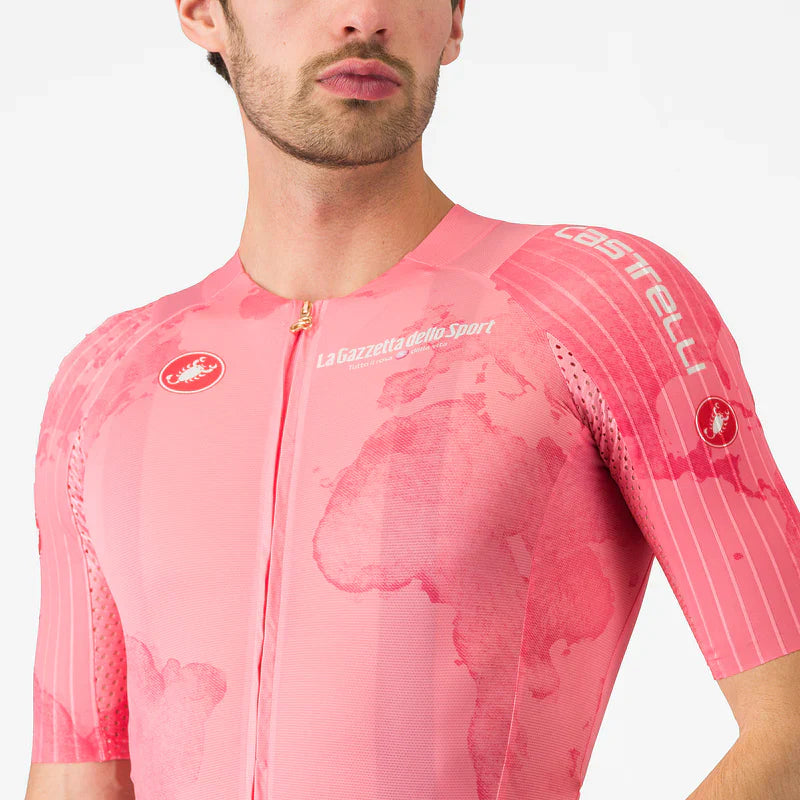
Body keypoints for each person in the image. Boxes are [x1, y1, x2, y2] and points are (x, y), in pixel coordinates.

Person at [25, 1, 800, 799]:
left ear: (455, 19)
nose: (364, 15)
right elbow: (73, 785)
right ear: (200, 12)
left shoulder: (585, 305)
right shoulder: (106, 381)